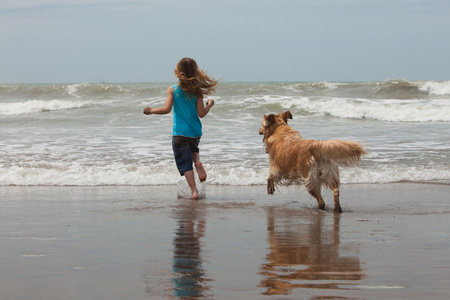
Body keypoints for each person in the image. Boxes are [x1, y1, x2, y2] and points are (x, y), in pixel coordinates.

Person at [143, 58, 218, 199]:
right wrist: (210, 104)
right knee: (194, 151)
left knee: (185, 164)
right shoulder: (197, 92)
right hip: (195, 133)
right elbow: (201, 114)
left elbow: (166, 109)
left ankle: (194, 191)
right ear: (195, 72)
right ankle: (198, 162)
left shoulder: (173, 89)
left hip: (180, 134)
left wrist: (151, 110)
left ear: (178, 72)